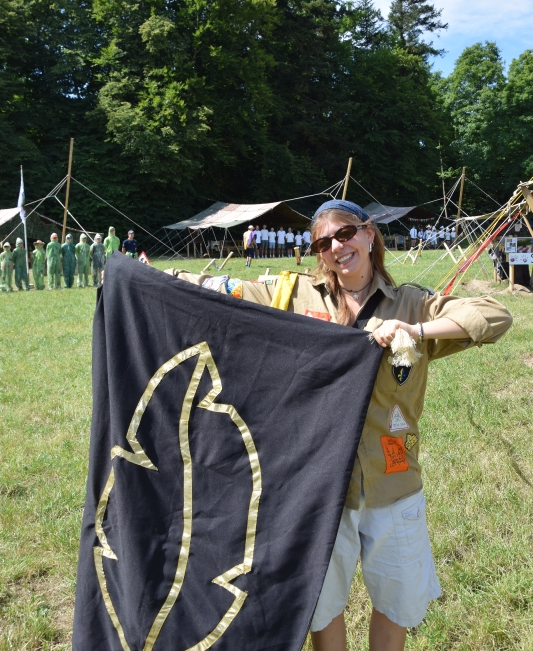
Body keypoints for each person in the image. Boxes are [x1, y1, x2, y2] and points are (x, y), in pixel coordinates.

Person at [164, 198, 512, 651]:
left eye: (345, 234)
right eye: (323, 243)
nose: (336, 247)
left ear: (368, 234)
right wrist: (151, 277)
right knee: (321, 605)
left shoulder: (412, 303)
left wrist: (414, 332)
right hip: (317, 489)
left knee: (394, 604)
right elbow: (222, 289)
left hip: (393, 483)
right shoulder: (292, 296)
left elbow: (494, 316)